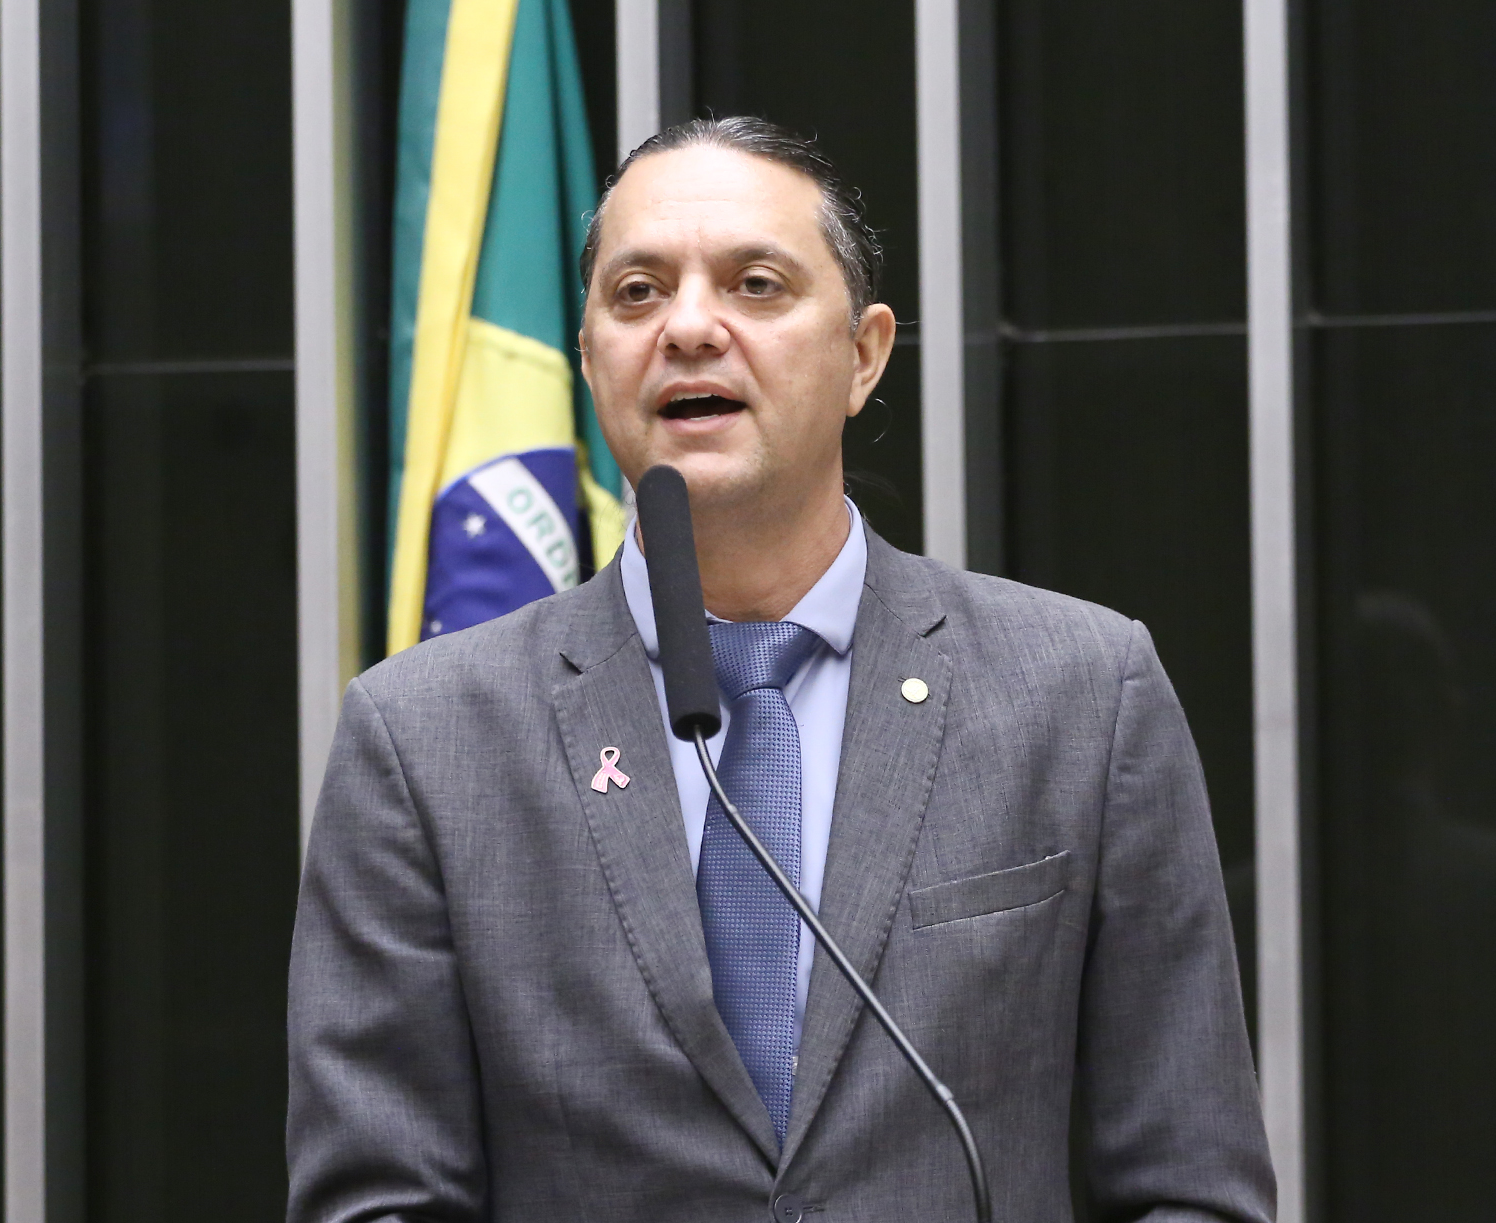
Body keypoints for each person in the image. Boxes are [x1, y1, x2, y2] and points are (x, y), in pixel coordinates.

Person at [288, 116, 1275, 1223]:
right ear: (588, 360)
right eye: (636, 294)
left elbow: (1188, 1185)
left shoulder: (1081, 691)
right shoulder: (424, 738)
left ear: (864, 354)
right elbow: (378, 1198)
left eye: (755, 285)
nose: (688, 327)